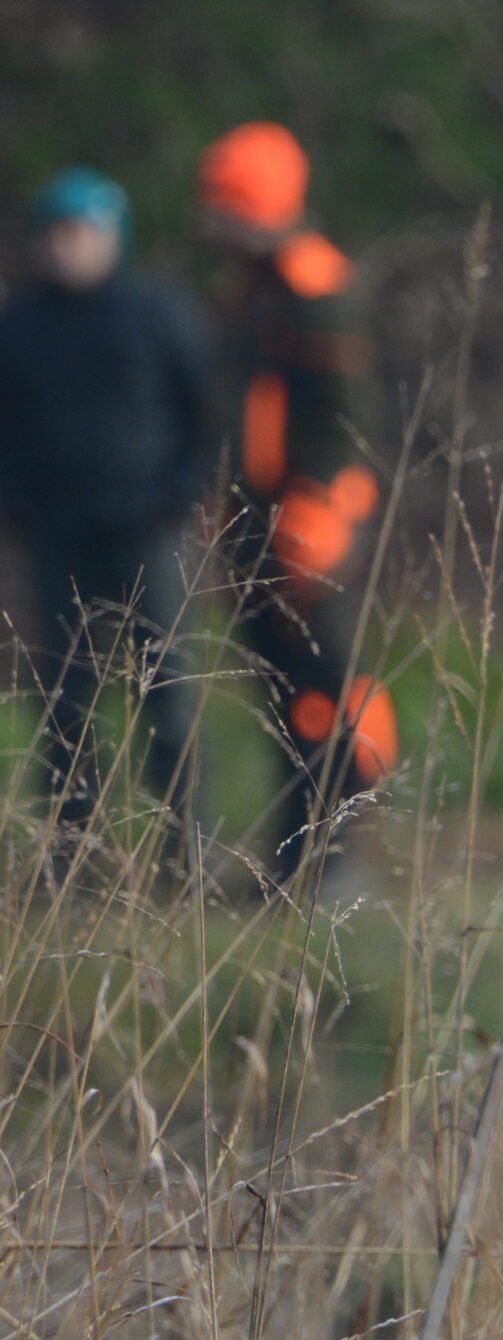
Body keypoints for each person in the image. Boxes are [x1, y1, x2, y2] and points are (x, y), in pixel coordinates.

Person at [195, 121, 395, 874]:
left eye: (223, 206)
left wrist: (323, 507)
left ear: (256, 205)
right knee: (282, 688)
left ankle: (340, 854)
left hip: (312, 522)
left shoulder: (315, 286)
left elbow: (346, 413)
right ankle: (295, 857)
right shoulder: (248, 291)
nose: (211, 223)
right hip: (255, 520)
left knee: (330, 683)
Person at [0, 167, 213, 862]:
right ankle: (73, 859)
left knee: (167, 691)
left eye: (80, 233)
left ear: (112, 237)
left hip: (148, 531)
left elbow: (204, 413)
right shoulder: (20, 325)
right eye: (54, 234)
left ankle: (186, 855)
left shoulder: (158, 315)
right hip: (56, 537)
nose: (66, 248)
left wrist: (184, 492)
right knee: (65, 702)